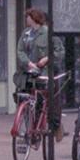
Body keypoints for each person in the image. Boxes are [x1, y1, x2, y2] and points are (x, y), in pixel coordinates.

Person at [15, 8, 66, 141]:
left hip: (44, 72)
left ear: (34, 18)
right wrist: (28, 63)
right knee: (24, 97)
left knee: (52, 96)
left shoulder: (48, 33)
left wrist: (47, 59)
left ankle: (55, 125)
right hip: (28, 72)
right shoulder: (25, 34)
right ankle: (30, 127)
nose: (26, 19)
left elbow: (60, 51)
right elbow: (19, 50)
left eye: (28, 17)